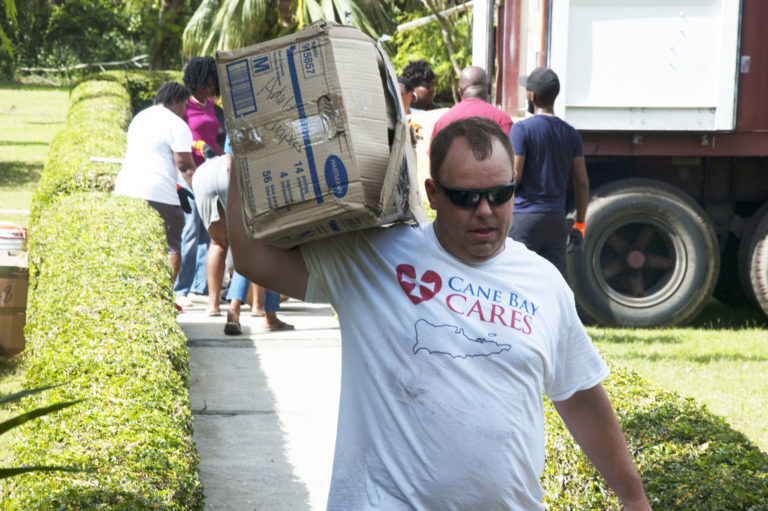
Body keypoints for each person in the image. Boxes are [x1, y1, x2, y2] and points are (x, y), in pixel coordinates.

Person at [226, 116, 651, 510]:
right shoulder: (373, 256)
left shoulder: (544, 282)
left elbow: (577, 394)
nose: (485, 210)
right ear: (432, 194)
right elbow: (252, 259)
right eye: (465, 197)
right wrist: (244, 149)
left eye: (500, 194)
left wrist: (633, 498)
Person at [192, 138, 293, 335]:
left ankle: (233, 308)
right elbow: (231, 160)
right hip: (252, 184)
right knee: (270, 245)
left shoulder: (239, 113)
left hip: (218, 178)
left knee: (237, 246)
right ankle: (266, 314)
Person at [508, 67, 589, 276]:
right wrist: (580, 223)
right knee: (552, 284)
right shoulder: (570, 133)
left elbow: (513, 178)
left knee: (519, 280)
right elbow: (581, 183)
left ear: (531, 96)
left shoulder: (522, 130)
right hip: (556, 219)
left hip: (524, 218)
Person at [114, 82, 195, 285]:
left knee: (134, 243)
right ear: (175, 100)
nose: (185, 112)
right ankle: (165, 296)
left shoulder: (139, 118)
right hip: (158, 193)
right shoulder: (177, 124)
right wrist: (200, 192)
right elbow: (185, 166)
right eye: (184, 105)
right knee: (172, 246)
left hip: (125, 189)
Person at [175, 56, 222, 313]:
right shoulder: (184, 106)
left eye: (212, 83)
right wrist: (196, 146)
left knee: (210, 231)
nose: (209, 88)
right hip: (188, 177)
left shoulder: (211, 105)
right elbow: (182, 139)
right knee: (191, 231)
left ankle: (201, 287)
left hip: (211, 175)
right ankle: (180, 288)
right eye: (206, 82)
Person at [430, 65, 513, 142]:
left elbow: (433, 156)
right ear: (489, 89)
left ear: (460, 92)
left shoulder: (443, 121)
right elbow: (512, 155)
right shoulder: (503, 120)